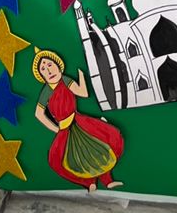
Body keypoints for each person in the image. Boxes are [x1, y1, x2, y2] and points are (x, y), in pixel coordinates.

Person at [32, 49, 124, 191]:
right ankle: (89, 182)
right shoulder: (46, 91)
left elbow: (83, 93)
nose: (48, 71)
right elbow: (38, 114)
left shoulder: (66, 80)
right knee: (58, 160)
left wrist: (81, 75)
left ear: (57, 65)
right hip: (64, 129)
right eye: (43, 69)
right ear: (41, 75)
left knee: (102, 145)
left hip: (79, 121)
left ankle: (107, 180)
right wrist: (56, 129)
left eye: (50, 65)